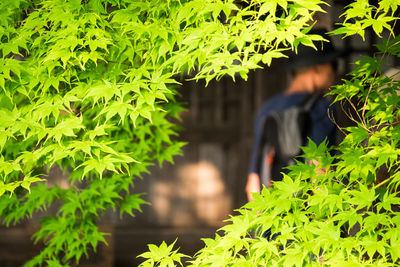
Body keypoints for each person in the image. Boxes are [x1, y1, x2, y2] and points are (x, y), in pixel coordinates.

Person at [246, 29, 340, 202]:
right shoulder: (320, 107)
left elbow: (253, 181)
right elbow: (319, 169)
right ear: (317, 68)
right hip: (307, 216)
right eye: (333, 65)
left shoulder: (268, 108)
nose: (334, 74)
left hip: (271, 216)